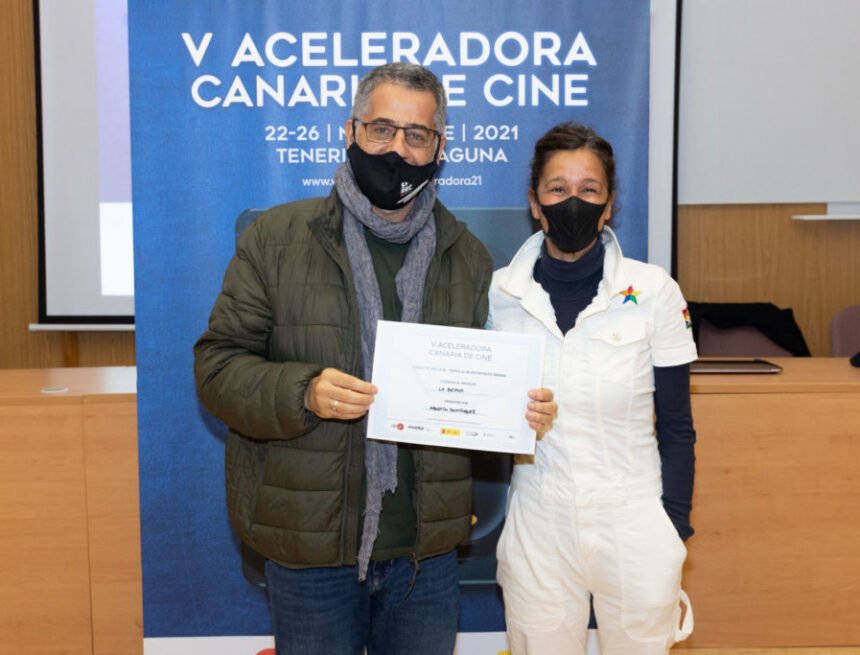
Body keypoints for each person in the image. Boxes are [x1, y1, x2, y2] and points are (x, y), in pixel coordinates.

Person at [193, 62, 556, 655]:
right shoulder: (277, 239)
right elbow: (217, 367)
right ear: (349, 131)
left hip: (425, 556)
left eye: (417, 136)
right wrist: (302, 392)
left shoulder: (468, 257)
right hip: (309, 547)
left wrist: (519, 407)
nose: (397, 150)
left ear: (440, 147)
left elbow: (479, 385)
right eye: (381, 129)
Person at [488, 122, 697, 654]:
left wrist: (671, 524)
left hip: (634, 518)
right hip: (538, 517)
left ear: (608, 206)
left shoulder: (653, 291)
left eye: (589, 191)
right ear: (535, 203)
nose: (572, 203)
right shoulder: (498, 294)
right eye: (557, 189)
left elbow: (677, 427)